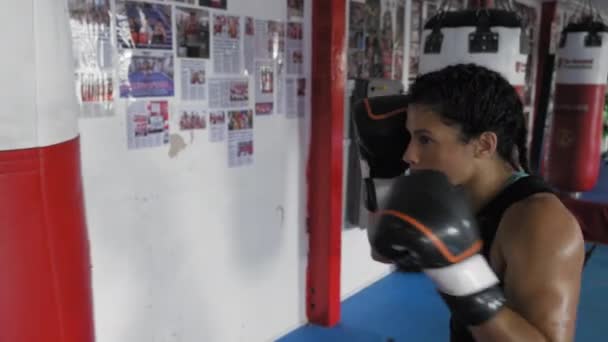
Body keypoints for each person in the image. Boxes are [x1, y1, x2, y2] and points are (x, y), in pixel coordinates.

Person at [367, 63, 585, 342]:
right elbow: (384, 249)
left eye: (425, 139)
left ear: (484, 145)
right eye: (410, 137)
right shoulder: (453, 193)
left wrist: (461, 273)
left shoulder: (539, 221)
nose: (409, 154)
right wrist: (381, 173)